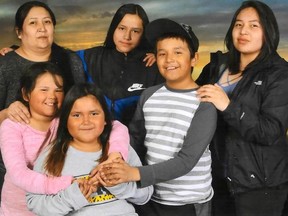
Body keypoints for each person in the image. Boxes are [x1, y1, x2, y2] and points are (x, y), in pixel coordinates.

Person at [96, 19, 217, 216]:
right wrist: (117, 164)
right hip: (150, 196)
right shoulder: (149, 95)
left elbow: (186, 161)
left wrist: (133, 174)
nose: (169, 60)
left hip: (187, 202)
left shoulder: (205, 101)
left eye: (178, 52)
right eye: (162, 53)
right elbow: (135, 138)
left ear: (194, 58)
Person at [0, 62, 129, 216]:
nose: (52, 96)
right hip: (20, 208)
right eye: (44, 90)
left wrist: (116, 156)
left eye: (58, 90)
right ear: (26, 94)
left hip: (60, 206)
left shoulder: (65, 120)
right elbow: (17, 174)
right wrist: (68, 183)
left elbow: (114, 126)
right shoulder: (13, 125)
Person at [196, 1, 288, 216]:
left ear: (268, 32)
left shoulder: (279, 74)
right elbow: (191, 95)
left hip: (260, 185)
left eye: (254, 26)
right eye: (238, 25)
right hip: (219, 178)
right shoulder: (217, 66)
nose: (243, 31)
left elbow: (270, 131)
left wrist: (227, 106)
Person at [0, 1, 86, 201]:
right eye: (33, 23)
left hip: (63, 165)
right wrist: (6, 112)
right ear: (19, 32)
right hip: (12, 170)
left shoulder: (70, 61)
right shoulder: (5, 65)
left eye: (47, 22)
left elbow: (81, 107)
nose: (41, 28)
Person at [26, 83, 153, 215]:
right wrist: (71, 198)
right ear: (65, 121)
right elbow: (34, 203)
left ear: (105, 119)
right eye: (76, 115)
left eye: (94, 113)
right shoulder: (51, 155)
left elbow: (145, 195)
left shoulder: (121, 151)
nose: (86, 121)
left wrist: (119, 185)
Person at [77, 3, 165, 126]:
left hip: (134, 142)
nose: (127, 36)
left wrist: (162, 54)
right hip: (92, 138)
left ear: (143, 34)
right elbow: (53, 60)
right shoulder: (89, 57)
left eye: (135, 31)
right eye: (122, 28)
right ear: (114, 28)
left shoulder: (153, 65)